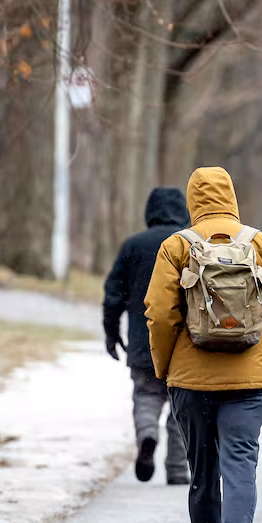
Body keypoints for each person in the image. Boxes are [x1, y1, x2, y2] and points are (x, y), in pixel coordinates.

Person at [144, 167, 262, 523]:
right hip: (248, 380)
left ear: (194, 201)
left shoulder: (176, 247)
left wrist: (166, 367)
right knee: (239, 465)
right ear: (231, 196)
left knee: (203, 472)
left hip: (190, 381)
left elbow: (159, 316)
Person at [103, 187, 192, 484]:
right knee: (182, 407)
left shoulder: (133, 246)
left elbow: (113, 294)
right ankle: (178, 469)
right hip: (183, 345)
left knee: (146, 396)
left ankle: (147, 436)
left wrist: (111, 334)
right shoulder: (190, 244)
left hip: (143, 343)